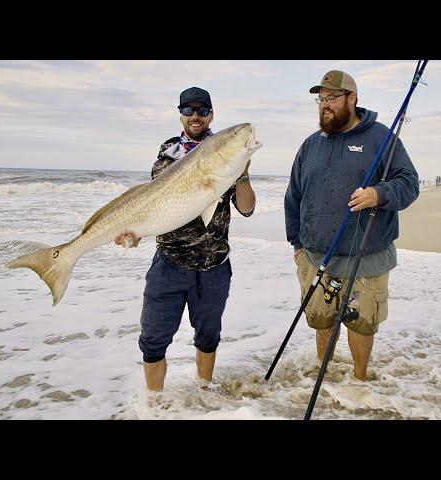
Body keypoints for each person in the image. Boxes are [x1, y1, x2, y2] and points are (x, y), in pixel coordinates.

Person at [115, 87, 256, 392]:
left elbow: (246, 209)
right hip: (169, 264)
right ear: (180, 114)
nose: (195, 116)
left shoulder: (225, 157)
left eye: (202, 111)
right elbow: (154, 207)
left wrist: (242, 173)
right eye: (189, 110)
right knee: (152, 341)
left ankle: (203, 394)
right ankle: (154, 405)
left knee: (208, 338)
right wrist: (135, 232)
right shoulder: (166, 157)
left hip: (214, 264)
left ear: (211, 115)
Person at [284, 70, 419, 381]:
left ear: (352, 99)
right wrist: (297, 246)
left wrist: (378, 194)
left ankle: (359, 381)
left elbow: (409, 184)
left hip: (366, 261)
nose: (325, 105)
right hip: (317, 258)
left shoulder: (381, 138)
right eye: (321, 99)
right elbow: (293, 196)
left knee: (361, 322)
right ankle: (325, 375)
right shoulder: (310, 145)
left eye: (332, 98)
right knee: (321, 319)